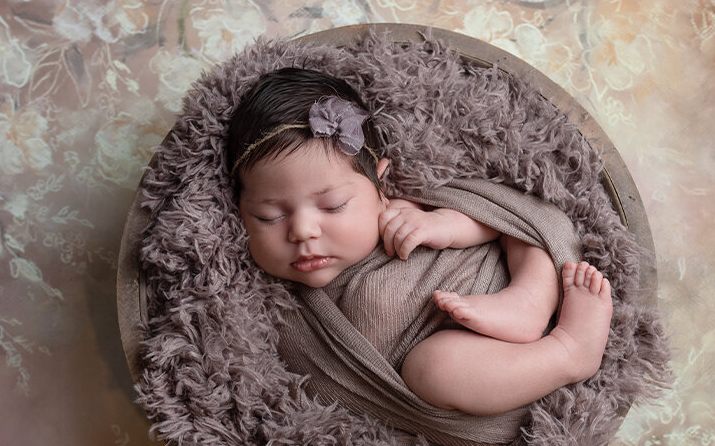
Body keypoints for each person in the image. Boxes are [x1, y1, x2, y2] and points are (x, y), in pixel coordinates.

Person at [226, 67, 613, 416]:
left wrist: (446, 223)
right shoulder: (280, 311)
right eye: (269, 216)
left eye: (333, 205)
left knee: (523, 232)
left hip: (491, 282)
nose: (302, 232)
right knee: (433, 369)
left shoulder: (402, 210)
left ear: (379, 184)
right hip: (484, 372)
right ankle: (565, 352)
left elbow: (502, 215)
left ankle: (531, 299)